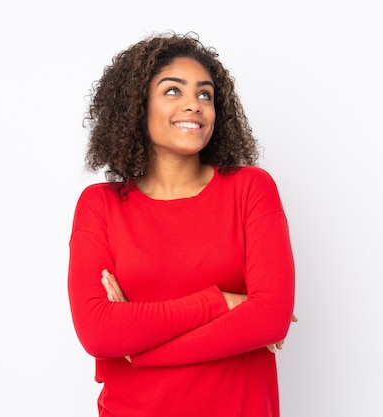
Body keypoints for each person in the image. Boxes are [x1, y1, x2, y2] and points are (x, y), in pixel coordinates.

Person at [68, 31, 296, 417]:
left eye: (204, 94)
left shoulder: (251, 189)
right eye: (173, 91)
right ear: (137, 106)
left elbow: (270, 320)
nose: (194, 105)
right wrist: (219, 302)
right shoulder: (100, 205)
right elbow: (98, 331)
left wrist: (139, 351)